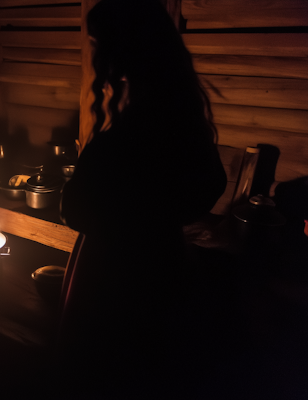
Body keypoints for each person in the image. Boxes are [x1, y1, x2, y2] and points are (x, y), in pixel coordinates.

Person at [57, 0, 227, 398]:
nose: (95, 53)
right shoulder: (182, 121)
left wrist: (121, 214)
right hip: (167, 263)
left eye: (98, 43)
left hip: (112, 277)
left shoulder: (124, 137)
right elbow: (208, 186)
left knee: (109, 372)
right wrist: (157, 219)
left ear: (122, 51)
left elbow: (75, 209)